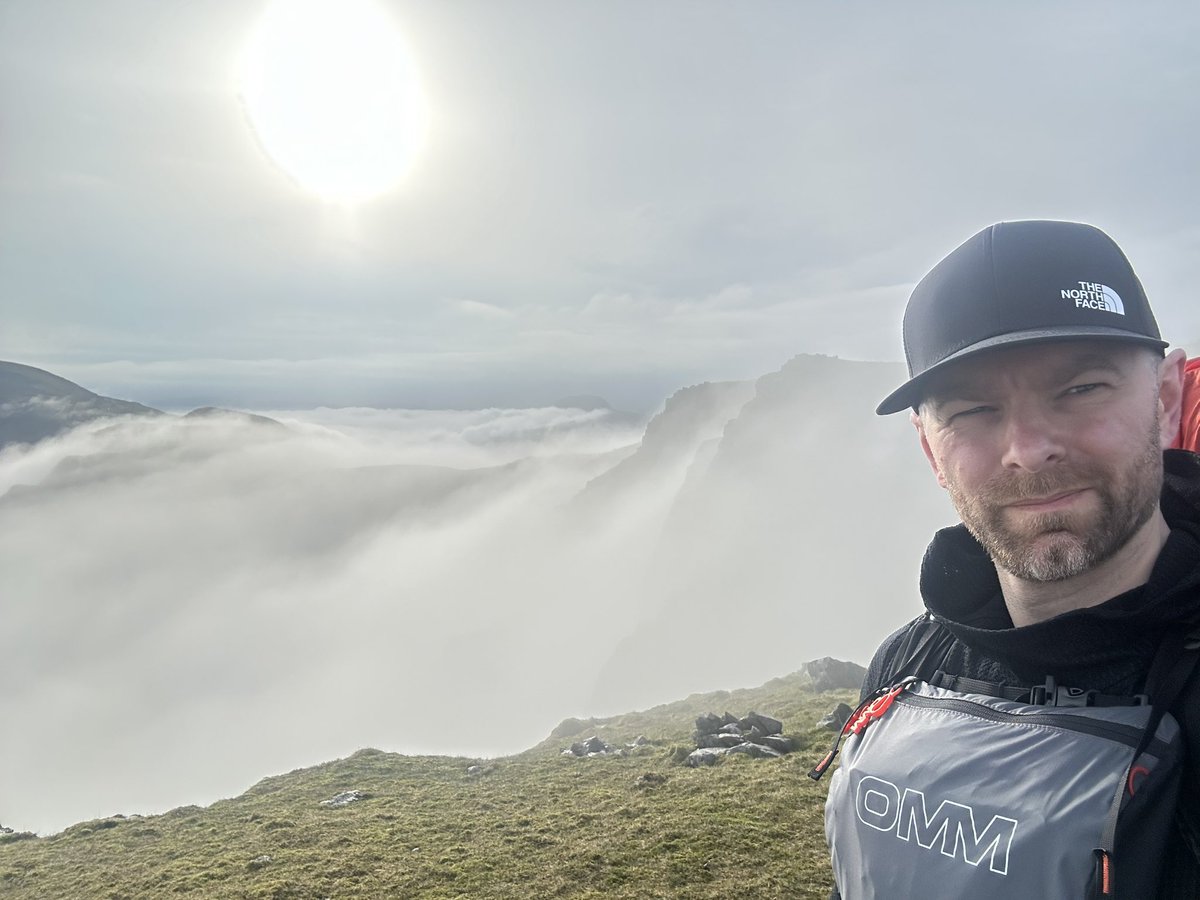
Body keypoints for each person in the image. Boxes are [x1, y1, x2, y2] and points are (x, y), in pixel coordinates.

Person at [823, 220, 1200, 898]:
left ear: (1167, 398)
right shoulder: (906, 665)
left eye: (1082, 388)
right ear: (931, 451)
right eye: (973, 409)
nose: (1028, 449)